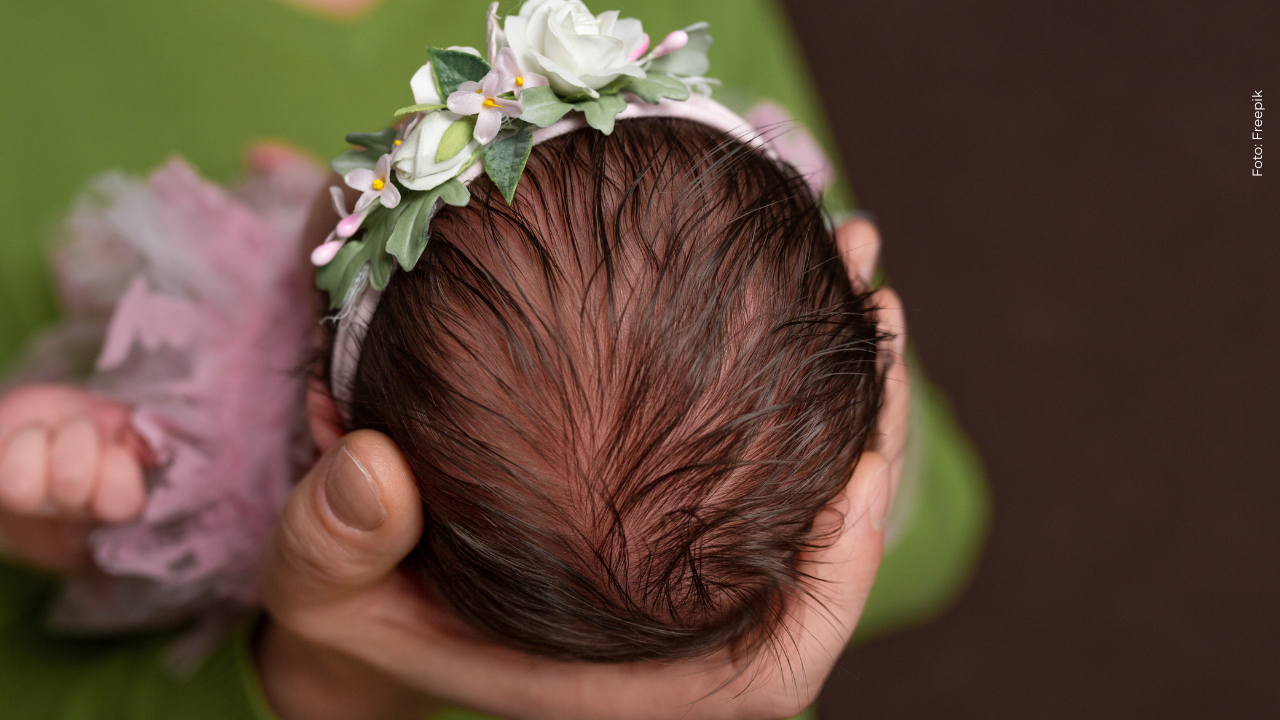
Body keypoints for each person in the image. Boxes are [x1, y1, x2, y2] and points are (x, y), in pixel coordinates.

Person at [0, 0, 988, 717]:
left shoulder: (219, 455)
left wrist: (98, 479)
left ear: (327, 435)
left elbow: (933, 530)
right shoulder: (755, 363)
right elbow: (935, 530)